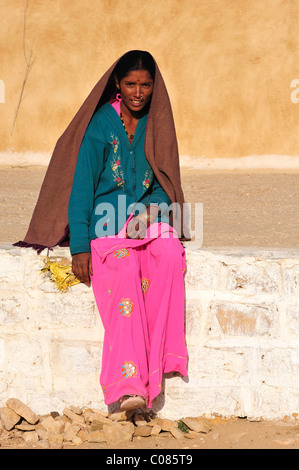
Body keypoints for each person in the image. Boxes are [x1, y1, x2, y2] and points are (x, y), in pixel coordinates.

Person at [15, 50, 189, 412]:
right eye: (130, 84)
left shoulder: (155, 124)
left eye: (145, 85)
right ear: (117, 85)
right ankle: (127, 385)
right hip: (105, 229)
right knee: (125, 267)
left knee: (171, 253)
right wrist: (79, 245)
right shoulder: (100, 127)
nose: (138, 93)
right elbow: (80, 188)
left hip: (143, 223)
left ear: (155, 87)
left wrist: (147, 210)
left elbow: (162, 182)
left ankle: (159, 361)